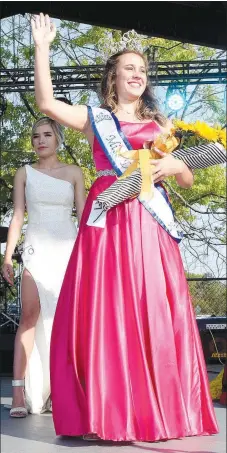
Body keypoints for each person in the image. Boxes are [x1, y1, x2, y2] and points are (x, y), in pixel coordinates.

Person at [32, 13, 218, 441]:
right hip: (110, 219)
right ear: (113, 79)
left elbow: (186, 177)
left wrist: (173, 164)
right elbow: (46, 104)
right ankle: (109, 411)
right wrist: (43, 47)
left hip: (150, 220)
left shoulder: (163, 126)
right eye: (128, 69)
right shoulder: (95, 118)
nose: (137, 75)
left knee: (151, 305)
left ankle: (160, 409)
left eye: (142, 70)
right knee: (109, 309)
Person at [2, 116, 86, 417]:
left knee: (66, 322)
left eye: (47, 134)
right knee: (29, 316)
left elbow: (84, 216)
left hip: (67, 249)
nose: (40, 140)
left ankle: (60, 390)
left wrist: (87, 255)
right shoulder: (23, 173)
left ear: (58, 138)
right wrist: (8, 256)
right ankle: (18, 393)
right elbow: (18, 217)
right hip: (35, 249)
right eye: (36, 136)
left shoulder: (75, 172)